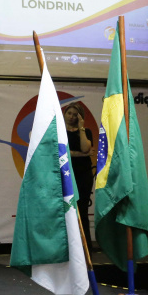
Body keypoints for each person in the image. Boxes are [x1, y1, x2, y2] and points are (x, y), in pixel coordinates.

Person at [63, 102, 93, 247]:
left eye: (75, 115)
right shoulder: (59, 132)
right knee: (65, 211)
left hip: (83, 175)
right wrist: (79, 154)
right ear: (64, 113)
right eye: (69, 113)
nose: (71, 117)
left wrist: (81, 126)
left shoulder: (85, 131)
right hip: (65, 175)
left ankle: (86, 247)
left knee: (82, 211)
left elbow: (86, 148)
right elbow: (59, 153)